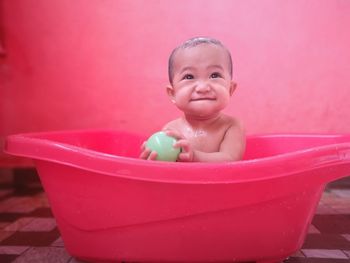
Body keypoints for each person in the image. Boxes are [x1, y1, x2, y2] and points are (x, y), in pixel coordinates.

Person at [140, 37, 245, 162]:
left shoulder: (231, 126)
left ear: (230, 89)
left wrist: (194, 156)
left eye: (214, 75)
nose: (202, 87)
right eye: (189, 76)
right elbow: (170, 169)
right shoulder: (171, 131)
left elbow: (230, 159)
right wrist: (154, 162)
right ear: (173, 94)